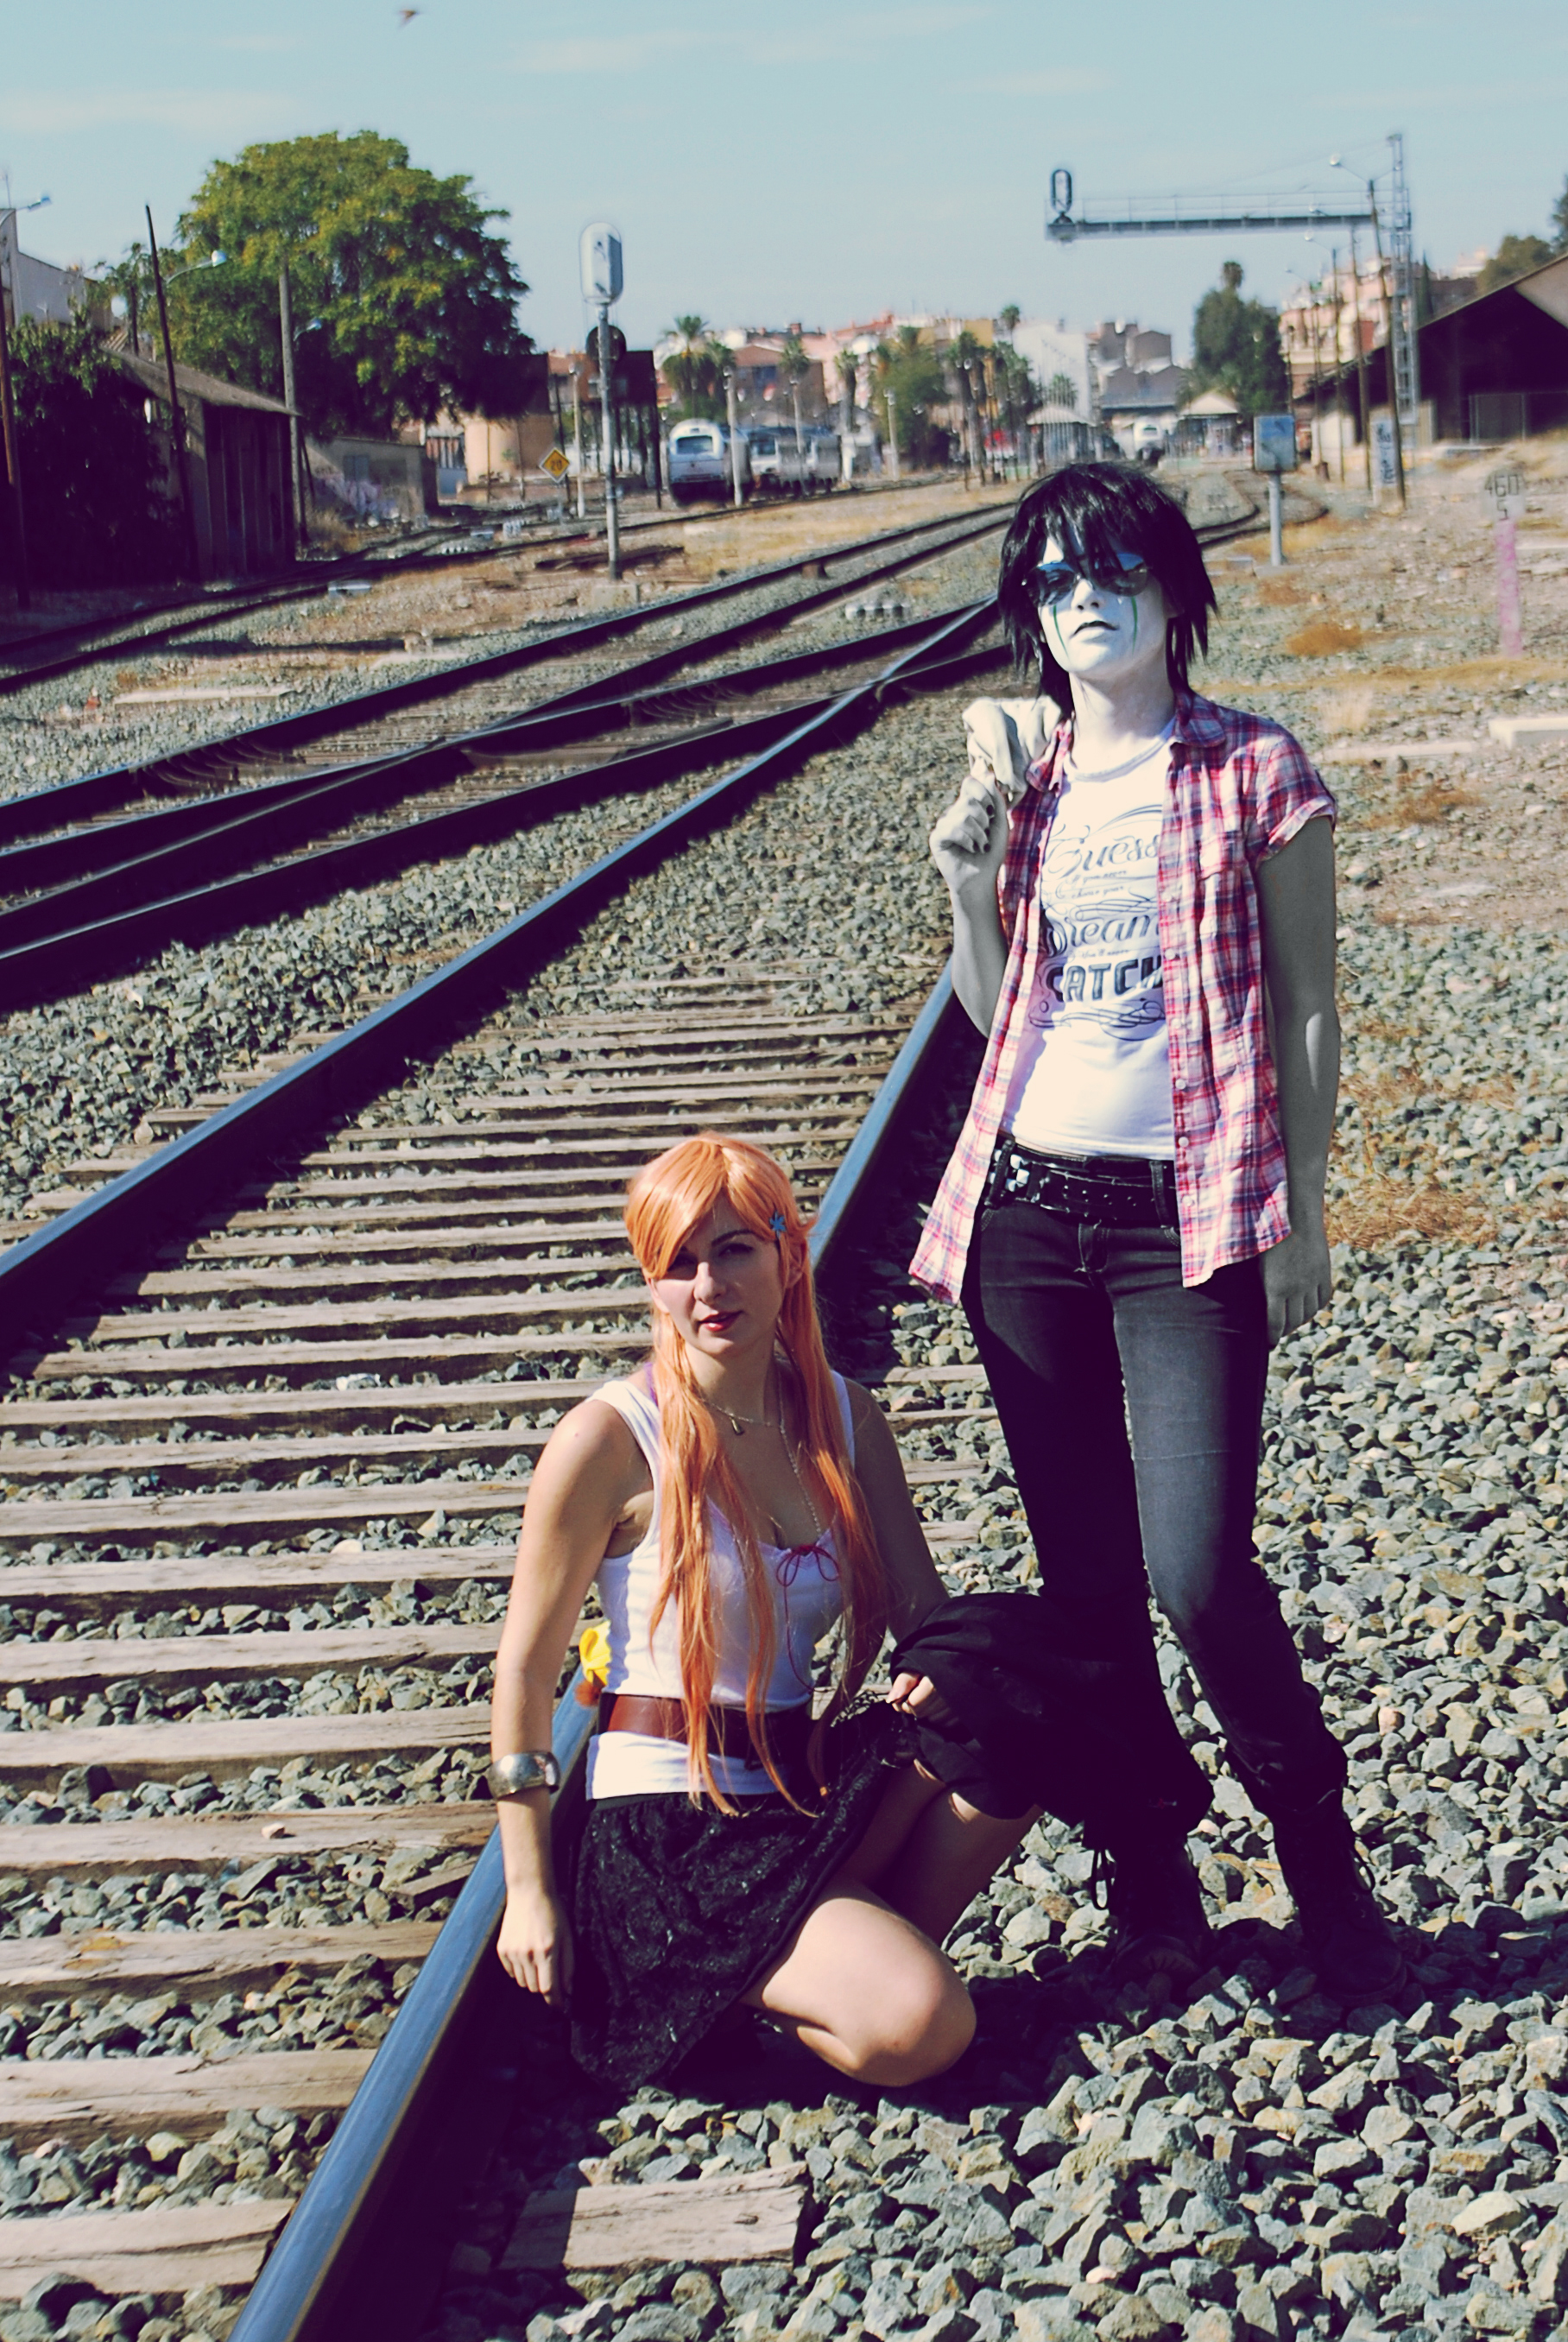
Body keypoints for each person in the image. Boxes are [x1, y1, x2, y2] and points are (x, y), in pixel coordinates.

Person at [915, 460, 1402, 2002]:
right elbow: (998, 1015)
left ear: (1172, 590)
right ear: (1031, 615)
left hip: (1185, 1226)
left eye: (1113, 570)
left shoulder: (1255, 767)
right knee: (1088, 1582)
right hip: (1028, 1220)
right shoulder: (1032, 785)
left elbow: (1312, 1006)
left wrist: (1303, 1210)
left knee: (1197, 1568)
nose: (1085, 601)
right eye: (1054, 582)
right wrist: (966, 879)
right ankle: (1151, 1869)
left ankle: (1318, 1852)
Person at [488, 1133, 1034, 2091]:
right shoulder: (611, 1439)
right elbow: (526, 1671)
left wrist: (967, 1684)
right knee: (926, 2026)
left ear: (788, 1256)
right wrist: (529, 1890)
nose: (709, 1286)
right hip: (671, 1829)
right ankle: (801, 1985)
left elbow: (927, 1621)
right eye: (678, 1263)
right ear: (652, 1283)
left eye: (734, 1249)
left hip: (794, 1789)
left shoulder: (845, 1419)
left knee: (1010, 1739)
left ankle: (805, 1970)